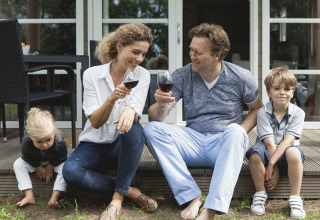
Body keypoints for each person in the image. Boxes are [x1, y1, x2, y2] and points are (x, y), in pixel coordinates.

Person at [144, 23, 263, 220]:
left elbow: (257, 108)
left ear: (217, 55)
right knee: (152, 129)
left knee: (235, 130)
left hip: (224, 145)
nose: (191, 55)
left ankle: (212, 209)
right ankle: (192, 196)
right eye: (190, 49)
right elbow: (156, 118)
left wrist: (241, 130)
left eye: (197, 52)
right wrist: (160, 104)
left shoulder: (240, 77)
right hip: (192, 143)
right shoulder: (182, 75)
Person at [62, 22, 157, 220]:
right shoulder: (92, 75)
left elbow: (136, 109)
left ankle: (117, 200)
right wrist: (112, 99)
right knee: (70, 171)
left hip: (121, 145)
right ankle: (131, 191)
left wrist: (131, 111)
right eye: (135, 52)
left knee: (135, 129)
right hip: (93, 144)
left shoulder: (142, 75)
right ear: (119, 46)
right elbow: (95, 122)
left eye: (144, 54)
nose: (140, 59)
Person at [246, 67, 306, 219]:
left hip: (287, 150)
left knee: (293, 151)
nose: (282, 92)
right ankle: (260, 193)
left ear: (293, 92)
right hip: (267, 148)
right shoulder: (263, 112)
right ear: (268, 92)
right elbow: (269, 144)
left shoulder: (298, 113)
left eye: (287, 89)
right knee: (254, 154)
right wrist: (275, 167)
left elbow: (288, 141)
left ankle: (295, 198)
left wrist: (273, 165)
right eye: (277, 88)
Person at [13, 107, 67, 208]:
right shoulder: (26, 142)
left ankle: (54, 197)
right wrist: (37, 167)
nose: (44, 145)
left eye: (48, 140)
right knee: (18, 164)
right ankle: (29, 195)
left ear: (54, 133)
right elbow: (27, 156)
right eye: (39, 141)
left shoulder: (59, 141)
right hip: (35, 162)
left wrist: (50, 167)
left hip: (53, 162)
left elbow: (62, 157)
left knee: (66, 167)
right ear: (30, 136)